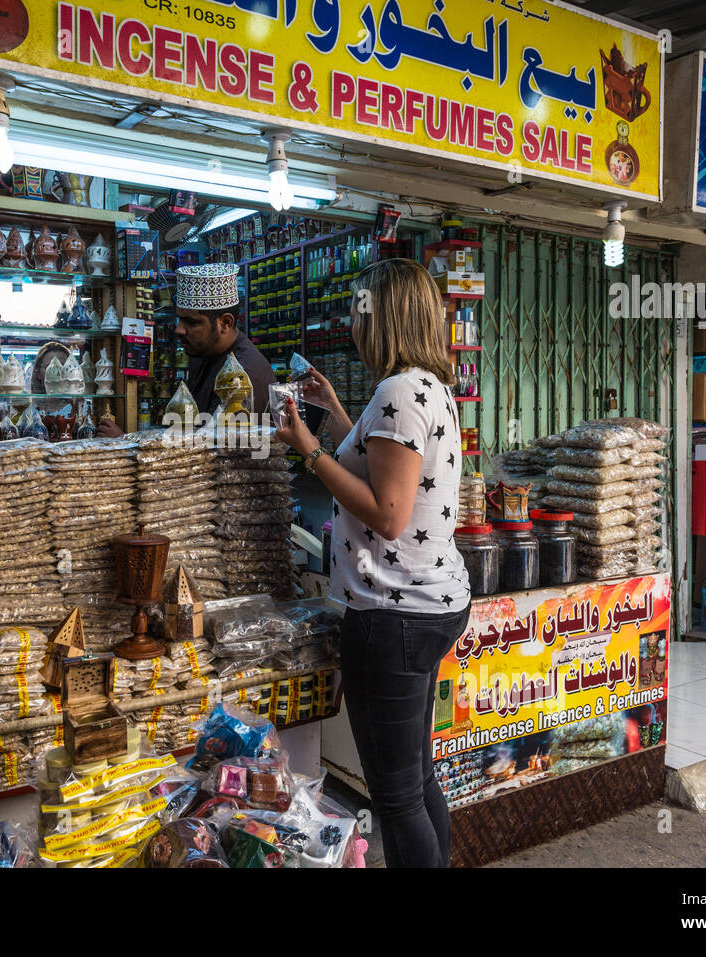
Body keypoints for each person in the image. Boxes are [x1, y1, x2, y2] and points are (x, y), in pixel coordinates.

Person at [274, 258, 471, 868]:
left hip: (393, 615)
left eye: (359, 314)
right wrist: (333, 411)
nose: (352, 326)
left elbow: (387, 512)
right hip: (427, 604)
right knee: (416, 779)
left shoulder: (399, 391)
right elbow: (375, 466)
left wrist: (308, 451)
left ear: (382, 318)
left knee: (396, 796)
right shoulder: (424, 386)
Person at [174, 263, 276, 416]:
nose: (179, 330)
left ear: (225, 323)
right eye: (179, 320)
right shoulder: (204, 354)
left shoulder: (242, 377)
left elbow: (222, 439)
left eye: (192, 322)